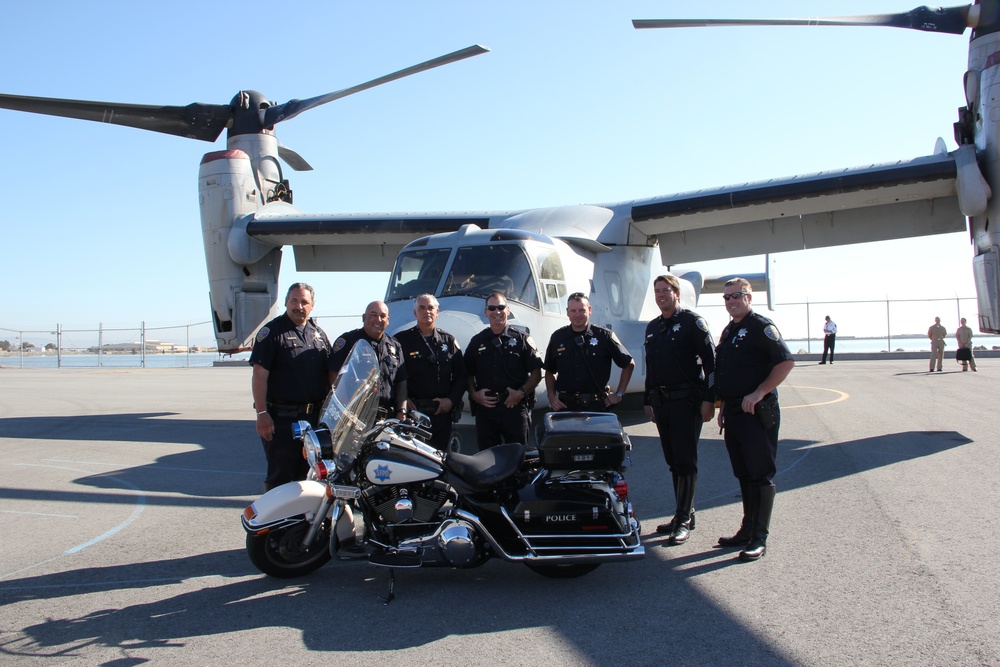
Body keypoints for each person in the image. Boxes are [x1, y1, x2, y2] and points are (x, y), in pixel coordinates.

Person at [715, 277, 795, 562]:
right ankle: (747, 529)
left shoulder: (761, 326)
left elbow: (785, 362)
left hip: (756, 412)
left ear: (749, 297)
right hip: (735, 411)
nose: (731, 301)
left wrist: (760, 392)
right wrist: (723, 407)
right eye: (726, 297)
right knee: (744, 473)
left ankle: (760, 537)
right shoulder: (729, 330)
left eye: (736, 296)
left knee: (760, 474)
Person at [643, 275, 717, 545]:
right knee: (673, 461)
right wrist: (648, 400)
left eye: (666, 290)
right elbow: (651, 366)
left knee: (685, 461)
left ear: (677, 293)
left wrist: (710, 399)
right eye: (657, 291)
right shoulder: (653, 327)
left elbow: (711, 362)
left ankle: (683, 519)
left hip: (687, 402)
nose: (661, 295)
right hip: (662, 403)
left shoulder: (692, 322)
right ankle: (685, 513)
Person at [249, 283, 332, 491]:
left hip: (314, 420)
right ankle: (276, 513)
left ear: (312, 305)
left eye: (304, 302)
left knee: (309, 479)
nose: (299, 306)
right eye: (294, 301)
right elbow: (259, 375)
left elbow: (331, 373)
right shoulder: (272, 332)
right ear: (286, 302)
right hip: (282, 421)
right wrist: (262, 413)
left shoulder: (318, 334)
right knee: (280, 479)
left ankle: (303, 514)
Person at [465, 292, 543, 451]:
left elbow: (536, 373)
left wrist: (520, 393)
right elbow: (467, 372)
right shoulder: (477, 341)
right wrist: (474, 394)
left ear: (508, 310)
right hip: (486, 409)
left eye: (501, 307)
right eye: (492, 308)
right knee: (486, 457)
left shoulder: (522, 339)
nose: (497, 312)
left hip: (514, 408)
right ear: (486, 312)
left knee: (517, 456)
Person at [396, 294, 467, 449]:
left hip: (442, 414)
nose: (426, 311)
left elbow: (461, 375)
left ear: (437, 312)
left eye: (430, 308)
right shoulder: (401, 341)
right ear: (415, 313)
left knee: (439, 457)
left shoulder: (448, 341)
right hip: (414, 414)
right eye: (421, 308)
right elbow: (393, 376)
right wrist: (403, 399)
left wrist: (451, 400)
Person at [544, 292, 634, 411]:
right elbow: (549, 371)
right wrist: (551, 396)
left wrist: (619, 394)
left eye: (582, 310)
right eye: (573, 311)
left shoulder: (603, 336)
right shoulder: (558, 337)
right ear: (567, 312)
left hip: (595, 406)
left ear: (590, 310)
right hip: (565, 406)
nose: (577, 315)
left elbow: (628, 364)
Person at [329, 301, 408, 419]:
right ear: (364, 317)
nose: (378, 320)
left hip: (387, 417)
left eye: (382, 316)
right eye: (373, 315)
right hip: (355, 416)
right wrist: (345, 409)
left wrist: (402, 410)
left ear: (388, 320)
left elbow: (401, 381)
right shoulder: (349, 341)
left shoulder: (394, 346)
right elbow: (334, 375)